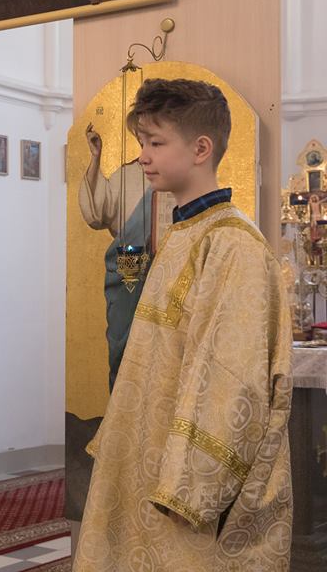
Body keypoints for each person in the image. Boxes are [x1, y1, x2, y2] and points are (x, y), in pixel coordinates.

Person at [74, 80, 293, 571]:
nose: (143, 157)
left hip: (187, 483)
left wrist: (192, 481)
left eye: (156, 142)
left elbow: (233, 376)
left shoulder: (233, 244)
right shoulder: (182, 233)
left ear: (200, 149)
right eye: (142, 143)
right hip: (150, 457)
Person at [78, 123, 174, 390]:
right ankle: (123, 399)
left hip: (166, 259)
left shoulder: (174, 176)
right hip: (128, 255)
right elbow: (96, 214)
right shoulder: (126, 174)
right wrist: (95, 159)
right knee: (124, 332)